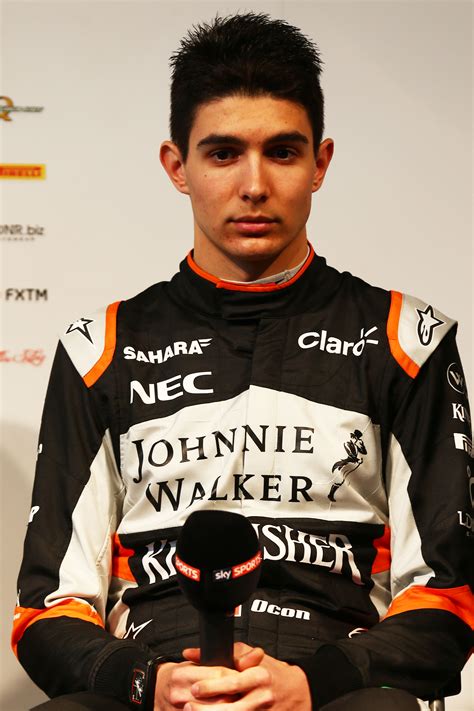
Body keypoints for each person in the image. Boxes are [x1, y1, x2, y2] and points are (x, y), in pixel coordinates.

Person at [12, 12, 473, 711]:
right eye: (224, 153)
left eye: (282, 153)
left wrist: (313, 682)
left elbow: (449, 599)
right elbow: (47, 608)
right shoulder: (100, 346)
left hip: (333, 687)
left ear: (320, 163)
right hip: (161, 680)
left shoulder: (405, 337)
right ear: (178, 166)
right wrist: (149, 681)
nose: (254, 185)